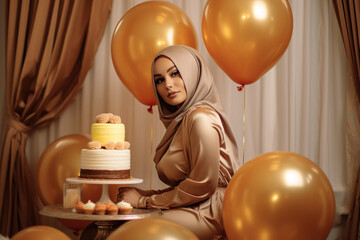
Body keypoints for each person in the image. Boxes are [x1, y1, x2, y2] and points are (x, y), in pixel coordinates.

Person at [117, 45, 240, 240]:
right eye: (159, 80)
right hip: (196, 205)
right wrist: (149, 193)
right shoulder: (184, 120)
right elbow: (189, 185)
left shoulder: (201, 118)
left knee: (133, 231)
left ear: (193, 73)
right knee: (110, 224)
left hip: (212, 212)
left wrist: (144, 200)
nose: (168, 85)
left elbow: (203, 186)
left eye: (175, 73)